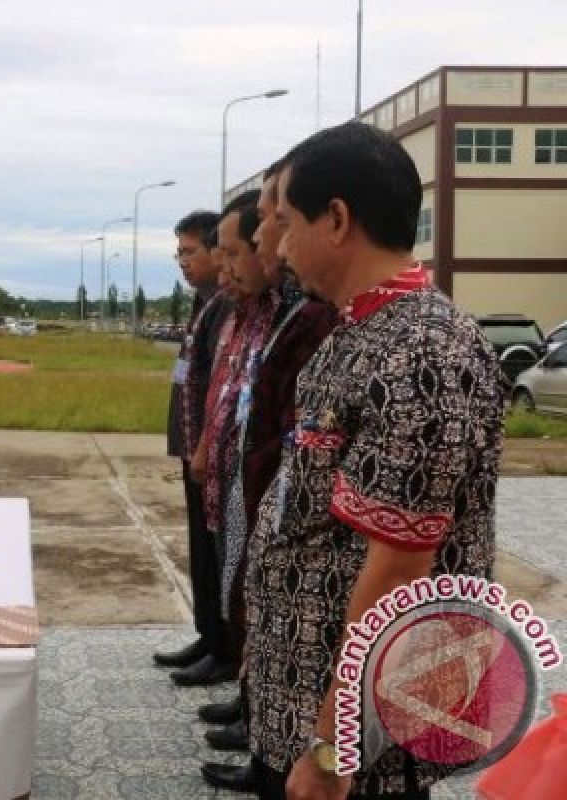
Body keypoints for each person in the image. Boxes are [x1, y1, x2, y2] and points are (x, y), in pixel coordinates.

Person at [244, 122, 504, 799]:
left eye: (286, 222)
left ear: (336, 219)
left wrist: (335, 747)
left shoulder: (423, 354)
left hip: (358, 751)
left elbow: (397, 572)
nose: (278, 244)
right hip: (300, 702)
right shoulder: (357, 331)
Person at [199, 162, 338, 794]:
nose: (263, 246)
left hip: (289, 524)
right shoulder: (263, 313)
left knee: (281, 638)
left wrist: (332, 749)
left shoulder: (315, 317)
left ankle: (273, 750)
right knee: (251, 610)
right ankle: (265, 740)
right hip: (253, 490)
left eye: (274, 226)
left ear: (334, 220)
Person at [154, 210, 237, 687]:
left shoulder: (225, 305)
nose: (183, 263)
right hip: (193, 447)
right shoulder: (201, 304)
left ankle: (223, 646)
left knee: (215, 552)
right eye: (178, 254)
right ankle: (208, 635)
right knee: (201, 550)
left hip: (211, 453)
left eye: (191, 252)